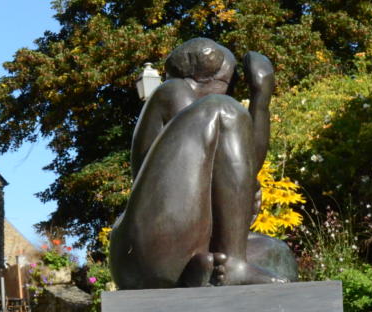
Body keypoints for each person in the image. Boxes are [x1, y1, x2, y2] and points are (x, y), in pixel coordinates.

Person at [109, 38, 283, 288]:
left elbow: (239, 172)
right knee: (223, 109)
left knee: (278, 254)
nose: (232, 92)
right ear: (203, 78)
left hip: (185, 241)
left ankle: (204, 268)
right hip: (150, 245)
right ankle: (234, 264)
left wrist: (261, 99)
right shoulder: (173, 91)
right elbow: (221, 131)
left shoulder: (203, 117)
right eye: (229, 82)